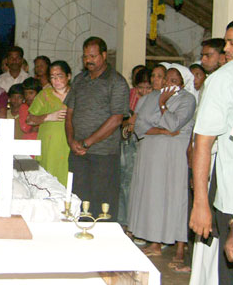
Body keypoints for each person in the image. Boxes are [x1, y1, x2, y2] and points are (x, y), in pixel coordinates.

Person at [128, 65, 196, 263]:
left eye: (174, 81)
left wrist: (163, 106)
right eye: (167, 79)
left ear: (182, 84)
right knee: (152, 198)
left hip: (172, 157)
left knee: (172, 198)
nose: (168, 83)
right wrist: (163, 131)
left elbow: (174, 123)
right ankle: (153, 240)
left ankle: (175, 247)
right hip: (150, 155)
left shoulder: (187, 100)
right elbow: (139, 126)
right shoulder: (151, 97)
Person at [64, 37, 129, 219]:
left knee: (102, 203)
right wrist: (71, 141)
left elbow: (116, 119)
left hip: (103, 154)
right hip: (78, 153)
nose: (88, 60)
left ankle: (103, 243)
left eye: (93, 56)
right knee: (79, 200)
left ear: (104, 55)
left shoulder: (116, 82)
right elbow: (69, 114)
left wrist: (87, 143)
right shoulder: (79, 80)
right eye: (85, 57)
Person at [190, 40, 233, 285]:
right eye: (227, 42)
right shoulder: (224, 79)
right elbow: (202, 142)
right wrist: (200, 203)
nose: (227, 48)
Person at [118, 68, 152, 227]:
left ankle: (138, 223)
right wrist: (130, 121)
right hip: (127, 142)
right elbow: (123, 119)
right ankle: (125, 220)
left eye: (148, 88)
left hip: (145, 143)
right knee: (125, 181)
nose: (144, 91)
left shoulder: (155, 99)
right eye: (141, 88)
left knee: (141, 183)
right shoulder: (129, 95)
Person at [27, 60, 71, 185]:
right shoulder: (44, 95)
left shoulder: (76, 94)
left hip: (69, 144)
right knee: (48, 183)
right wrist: (48, 117)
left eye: (59, 76)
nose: (56, 80)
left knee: (68, 181)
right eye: (52, 77)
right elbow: (29, 119)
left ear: (68, 76)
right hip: (49, 145)